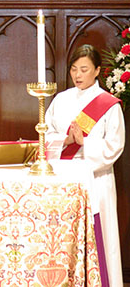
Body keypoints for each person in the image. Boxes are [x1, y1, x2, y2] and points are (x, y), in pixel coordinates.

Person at [45, 44, 125, 287]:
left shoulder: (109, 105)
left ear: (97, 71)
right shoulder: (61, 99)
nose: (77, 75)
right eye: (74, 69)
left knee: (99, 237)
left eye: (84, 69)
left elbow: (115, 145)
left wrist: (85, 143)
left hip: (96, 180)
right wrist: (65, 140)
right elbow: (45, 136)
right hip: (64, 180)